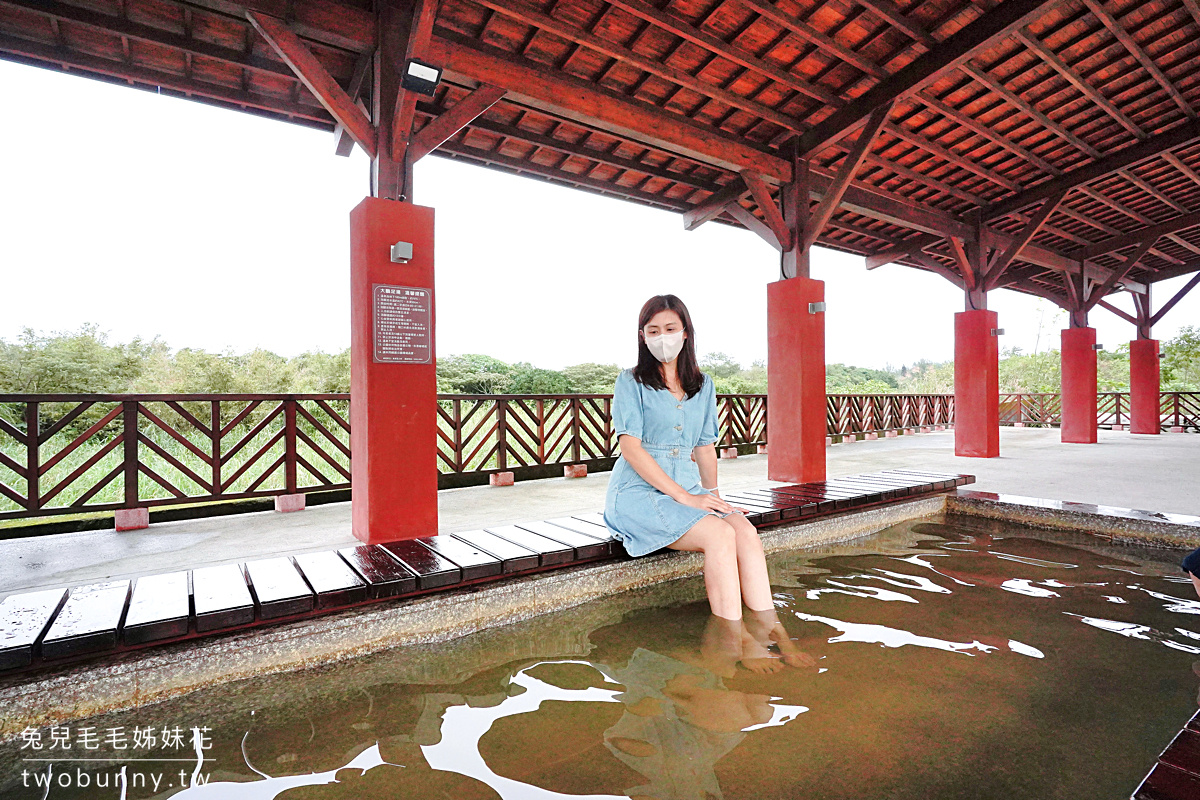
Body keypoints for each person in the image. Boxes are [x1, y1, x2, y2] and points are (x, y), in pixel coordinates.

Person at [602, 294, 795, 649]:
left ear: (686, 332)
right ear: (642, 336)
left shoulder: (702, 385)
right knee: (719, 537)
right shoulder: (630, 381)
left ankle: (774, 632)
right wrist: (685, 497)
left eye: (670, 328)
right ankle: (737, 641)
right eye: (653, 330)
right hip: (637, 494)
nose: (662, 337)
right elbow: (630, 447)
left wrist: (717, 499)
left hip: (688, 490)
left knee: (743, 530)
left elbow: (705, 446)